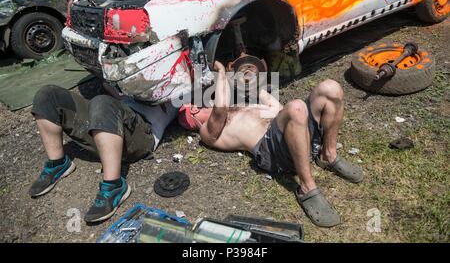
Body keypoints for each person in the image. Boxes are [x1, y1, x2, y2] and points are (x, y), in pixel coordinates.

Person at [178, 61, 363, 227]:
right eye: (197, 104)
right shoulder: (208, 133)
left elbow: (277, 109)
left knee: (331, 88)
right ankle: (307, 186)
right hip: (273, 152)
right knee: (297, 107)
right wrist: (219, 71)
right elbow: (220, 108)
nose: (204, 101)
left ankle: (328, 155)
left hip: (295, 136)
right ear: (193, 112)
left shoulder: (238, 108)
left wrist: (251, 85)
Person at [29, 84, 177, 223]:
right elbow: (109, 86)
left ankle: (114, 187)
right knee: (48, 94)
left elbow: (193, 114)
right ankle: (58, 163)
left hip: (142, 132)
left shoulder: (186, 75)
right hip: (109, 121)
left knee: (102, 102)